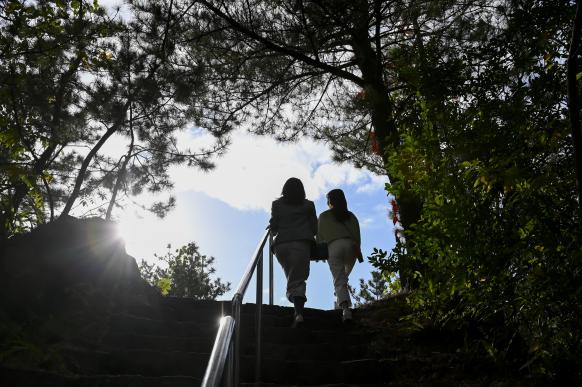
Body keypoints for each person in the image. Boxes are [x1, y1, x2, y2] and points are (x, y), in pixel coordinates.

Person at [269, 177, 317, 327]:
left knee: (293, 278)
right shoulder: (309, 205)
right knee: (298, 280)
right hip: (301, 244)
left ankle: (297, 309)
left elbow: (274, 227)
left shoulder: (276, 204)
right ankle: (298, 314)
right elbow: (315, 229)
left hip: (281, 246)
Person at [317, 189, 362, 322]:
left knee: (339, 278)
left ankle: (345, 309)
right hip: (351, 247)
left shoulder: (324, 216)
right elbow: (357, 237)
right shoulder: (351, 216)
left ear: (330, 201)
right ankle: (339, 300)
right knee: (343, 277)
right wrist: (357, 251)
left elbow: (319, 238)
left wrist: (321, 254)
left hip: (333, 247)